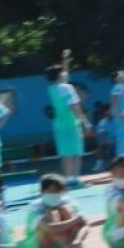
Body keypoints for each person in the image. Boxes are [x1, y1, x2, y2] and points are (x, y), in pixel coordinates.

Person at [24, 173, 96, 248]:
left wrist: (77, 241)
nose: (54, 194)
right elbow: (50, 228)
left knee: (65, 209)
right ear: (42, 192)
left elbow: (86, 224)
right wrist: (74, 220)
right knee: (50, 216)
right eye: (50, 191)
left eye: (57, 191)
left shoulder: (68, 202)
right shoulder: (35, 207)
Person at [45, 57, 90, 186]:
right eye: (63, 72)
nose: (66, 73)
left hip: (59, 125)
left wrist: (65, 61)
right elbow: (74, 106)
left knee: (66, 153)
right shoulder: (67, 87)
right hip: (71, 124)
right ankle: (75, 179)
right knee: (75, 152)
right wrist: (85, 121)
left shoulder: (52, 88)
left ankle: (69, 179)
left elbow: (64, 77)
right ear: (60, 75)